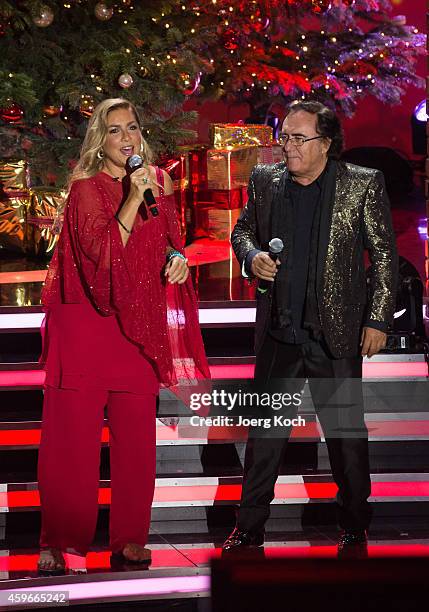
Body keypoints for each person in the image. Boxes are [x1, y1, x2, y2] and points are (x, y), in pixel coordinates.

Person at [37, 98, 209, 573]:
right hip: (88, 325)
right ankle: (61, 538)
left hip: (136, 323)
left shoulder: (156, 183)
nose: (127, 137)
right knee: (72, 442)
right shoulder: (86, 189)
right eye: (115, 130)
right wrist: (133, 196)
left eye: (132, 127)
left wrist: (178, 260)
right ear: (100, 140)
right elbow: (99, 255)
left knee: (136, 440)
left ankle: (130, 537)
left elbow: (172, 240)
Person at [223, 100, 398, 553]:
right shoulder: (265, 181)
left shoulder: (361, 184)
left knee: (345, 439)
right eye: (284, 137)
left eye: (299, 138)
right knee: (264, 439)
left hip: (334, 335)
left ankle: (355, 524)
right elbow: (241, 231)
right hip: (281, 334)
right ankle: (249, 528)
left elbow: (383, 257)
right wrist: (251, 256)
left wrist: (378, 319)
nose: (288, 147)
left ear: (326, 144)